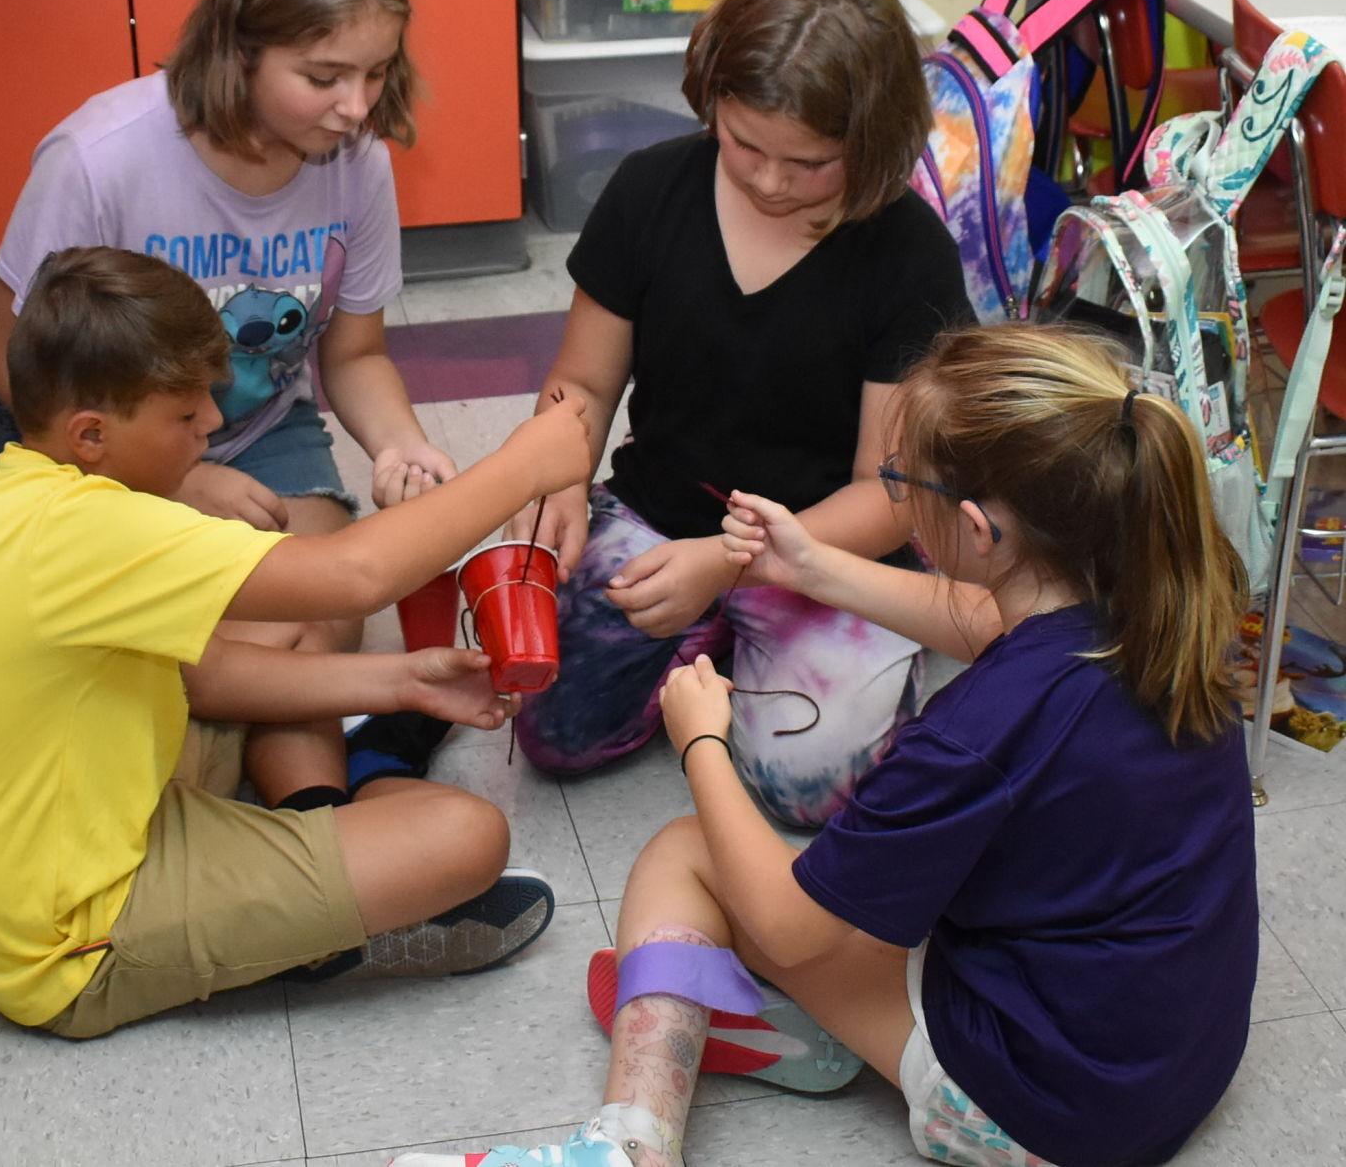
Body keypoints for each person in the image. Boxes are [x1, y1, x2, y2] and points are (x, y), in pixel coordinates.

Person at [402, 323, 1260, 1167]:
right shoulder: (1161, 613)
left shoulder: (972, 736)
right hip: (1169, 1066)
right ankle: (798, 1035)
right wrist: (806, 566)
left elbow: (791, 926)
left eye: (901, 482)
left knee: (688, 854)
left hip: (1043, 1111)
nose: (897, 494)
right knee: (856, 883)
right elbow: (989, 624)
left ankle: (628, 1148)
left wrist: (702, 737)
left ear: (974, 529)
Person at [0, 246, 591, 1039]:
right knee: (469, 837)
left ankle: (313, 868)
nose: (213, 424)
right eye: (185, 415)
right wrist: (527, 463)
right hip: (67, 942)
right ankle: (309, 936)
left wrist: (402, 681)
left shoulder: (12, 489)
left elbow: (203, 679)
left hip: (46, 837)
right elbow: (359, 576)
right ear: (90, 434)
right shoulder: (96, 532)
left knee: (272, 628)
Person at [0, 0, 451, 789]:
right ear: (238, 51)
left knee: (298, 617)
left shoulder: (360, 162)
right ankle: (308, 806)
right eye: (322, 76)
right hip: (103, 458)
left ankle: (315, 825)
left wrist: (400, 444)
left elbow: (353, 356)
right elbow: (8, 357)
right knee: (230, 639)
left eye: (378, 71)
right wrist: (182, 480)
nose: (356, 107)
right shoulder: (98, 158)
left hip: (265, 438)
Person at [506, 0, 973, 827]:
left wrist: (726, 564)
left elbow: (893, 493)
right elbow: (579, 383)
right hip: (662, 511)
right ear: (711, 93)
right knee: (554, 731)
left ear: (872, 142)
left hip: (829, 545)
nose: (767, 181)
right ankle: (715, 644)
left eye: (809, 164)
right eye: (744, 143)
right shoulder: (650, 190)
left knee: (812, 789)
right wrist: (558, 481)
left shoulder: (908, 253)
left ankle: (757, 642)